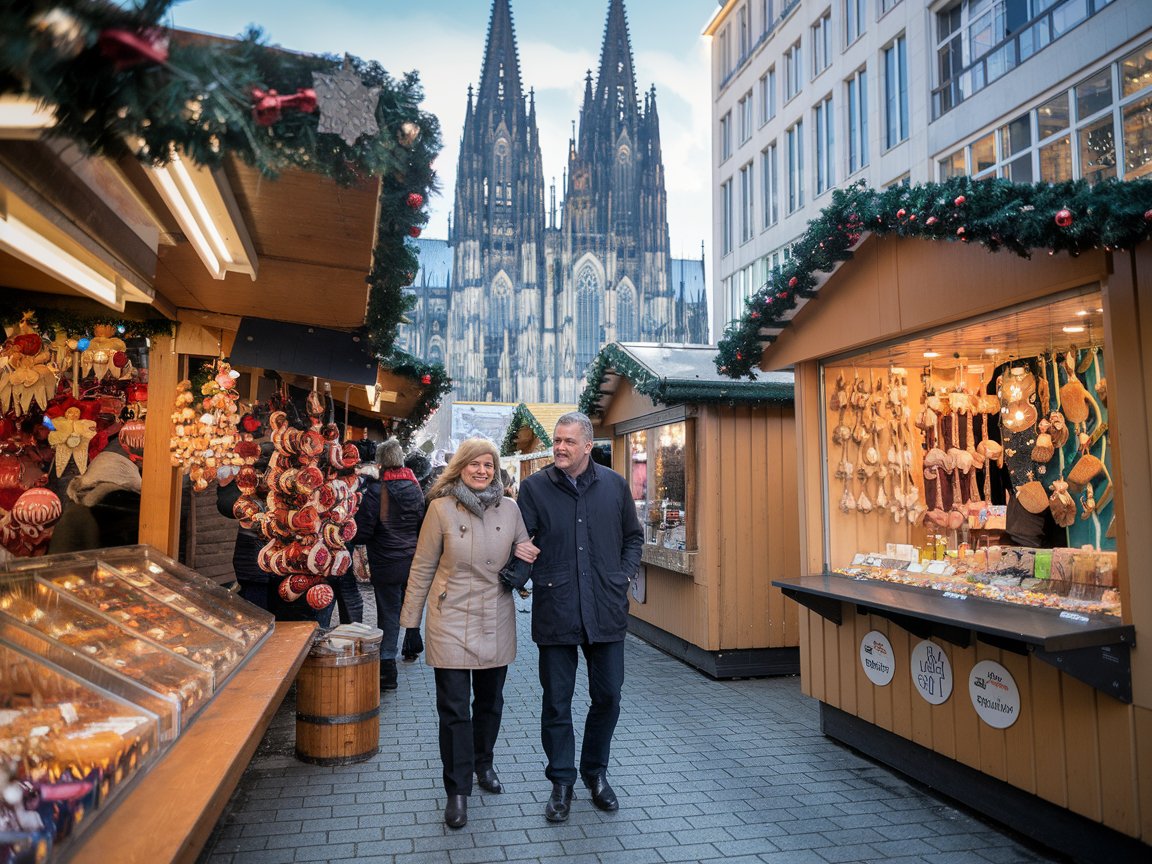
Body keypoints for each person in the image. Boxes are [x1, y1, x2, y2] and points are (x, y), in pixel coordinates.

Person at [399, 438, 536, 829]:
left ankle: (483, 764)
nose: (482, 471)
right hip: (450, 618)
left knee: (490, 704)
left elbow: (525, 549)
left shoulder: (509, 509)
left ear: (496, 470)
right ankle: (457, 790)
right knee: (455, 710)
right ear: (459, 467)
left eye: (488, 465)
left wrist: (525, 562)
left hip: (495, 617)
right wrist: (410, 623)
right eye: (474, 464)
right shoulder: (440, 509)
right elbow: (423, 566)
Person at [516, 411, 643, 822]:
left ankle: (595, 772)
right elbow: (521, 542)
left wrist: (623, 574)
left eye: (569, 441)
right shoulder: (534, 488)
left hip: (605, 609)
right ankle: (561, 782)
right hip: (557, 607)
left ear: (588, 446)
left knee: (608, 696)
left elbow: (633, 537)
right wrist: (515, 570)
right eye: (557, 440)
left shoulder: (615, 486)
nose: (560, 447)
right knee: (556, 702)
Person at [352, 439, 425, 690]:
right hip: (411, 558)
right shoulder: (415, 487)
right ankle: (413, 643)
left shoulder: (376, 490)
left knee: (389, 613)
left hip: (385, 560)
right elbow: (420, 524)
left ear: (381, 462)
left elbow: (363, 531)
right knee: (410, 603)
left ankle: (387, 668)